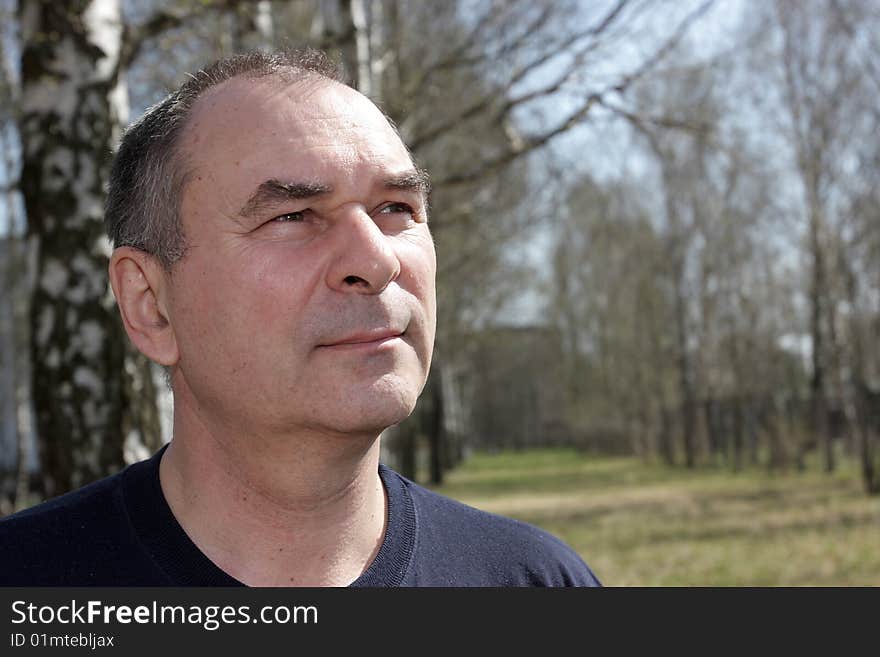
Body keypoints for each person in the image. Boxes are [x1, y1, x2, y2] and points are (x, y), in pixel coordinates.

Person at [0, 49, 600, 587]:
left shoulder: (534, 583)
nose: (376, 259)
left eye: (396, 207)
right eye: (293, 216)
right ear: (150, 304)